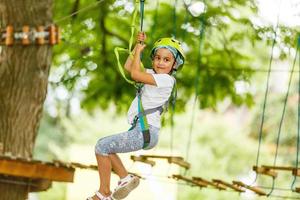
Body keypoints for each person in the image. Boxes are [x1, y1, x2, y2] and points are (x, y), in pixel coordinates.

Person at [87, 32, 185, 200]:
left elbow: (135, 75)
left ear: (174, 64)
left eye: (166, 60)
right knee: (108, 150)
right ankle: (125, 179)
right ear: (153, 59)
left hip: (145, 131)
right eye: (158, 58)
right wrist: (136, 47)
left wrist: (139, 51)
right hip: (143, 130)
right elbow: (129, 66)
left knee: (101, 146)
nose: (161, 62)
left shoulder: (166, 80)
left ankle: (105, 191)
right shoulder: (152, 75)